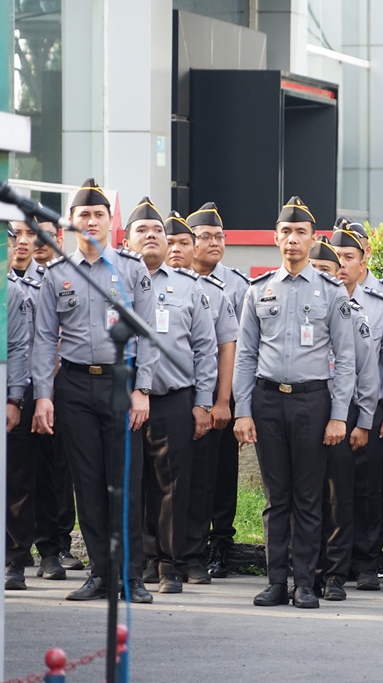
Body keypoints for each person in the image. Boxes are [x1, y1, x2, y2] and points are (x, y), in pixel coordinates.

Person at [32, 178, 158, 604]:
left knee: (125, 481)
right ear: (70, 222)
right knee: (88, 483)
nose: (90, 220)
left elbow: (146, 334)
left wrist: (142, 389)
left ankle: (132, 576)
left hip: (122, 383)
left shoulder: (132, 269)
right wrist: (45, 395)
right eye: (83, 214)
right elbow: (46, 338)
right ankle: (101, 575)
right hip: (74, 385)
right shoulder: (57, 274)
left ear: (110, 222)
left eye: (98, 215)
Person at [233, 196, 357, 609]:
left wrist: (339, 416)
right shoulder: (258, 290)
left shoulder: (331, 291)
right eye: (285, 232)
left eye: (300, 232)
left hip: (312, 401)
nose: (292, 239)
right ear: (275, 238)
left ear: (312, 238)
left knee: (308, 497)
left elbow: (346, 358)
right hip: (268, 400)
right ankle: (275, 581)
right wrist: (243, 410)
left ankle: (305, 582)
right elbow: (246, 354)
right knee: (276, 497)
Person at [123, 201, 217, 594]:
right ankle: (138, 562)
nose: (151, 236)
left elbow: (205, 348)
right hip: (124, 401)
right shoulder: (115, 282)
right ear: (126, 239)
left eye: (157, 231)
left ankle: (169, 564)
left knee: (172, 486)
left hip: (174, 398)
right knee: (131, 483)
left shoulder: (189, 288)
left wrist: (202, 402)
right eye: (142, 229)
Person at [164, 211, 239, 585]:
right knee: (159, 482)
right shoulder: (143, 286)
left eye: (183, 243)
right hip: (158, 397)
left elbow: (227, 348)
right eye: (171, 242)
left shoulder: (214, 292)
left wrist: (216, 402)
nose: (176, 249)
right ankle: (156, 555)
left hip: (200, 397)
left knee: (201, 480)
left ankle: (192, 555)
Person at [331, 217, 383, 586]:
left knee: (369, 487)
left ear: (364, 257)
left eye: (349, 255)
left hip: (369, 407)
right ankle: (332, 561)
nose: (341, 263)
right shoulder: (320, 291)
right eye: (336, 255)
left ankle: (367, 560)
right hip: (325, 407)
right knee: (328, 488)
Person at [12, 219, 85, 575]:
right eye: (20, 234)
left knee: (53, 472)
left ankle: (52, 548)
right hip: (16, 388)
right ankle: (18, 553)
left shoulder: (58, 278)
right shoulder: (7, 282)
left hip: (53, 388)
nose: (29, 242)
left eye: (38, 235)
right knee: (19, 474)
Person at [308, 234, 379, 600]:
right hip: (304, 409)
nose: (321, 275)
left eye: (327, 269)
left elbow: (367, 373)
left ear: (339, 274)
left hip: (341, 412)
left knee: (339, 498)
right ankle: (308, 570)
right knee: (306, 495)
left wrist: (363, 421)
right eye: (315, 268)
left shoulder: (352, 313)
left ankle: (335, 573)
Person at [187, 201, 250, 579]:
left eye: (219, 236)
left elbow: (242, 348)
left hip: (220, 393)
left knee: (222, 475)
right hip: (180, 391)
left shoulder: (238, 284)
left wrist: (232, 401)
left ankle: (220, 545)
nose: (214, 242)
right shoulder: (173, 278)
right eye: (205, 237)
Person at [3, 258, 34, 590]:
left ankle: (15, 560)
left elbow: (18, 346)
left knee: (15, 483)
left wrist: (14, 399)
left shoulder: (10, 292)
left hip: (5, 396)